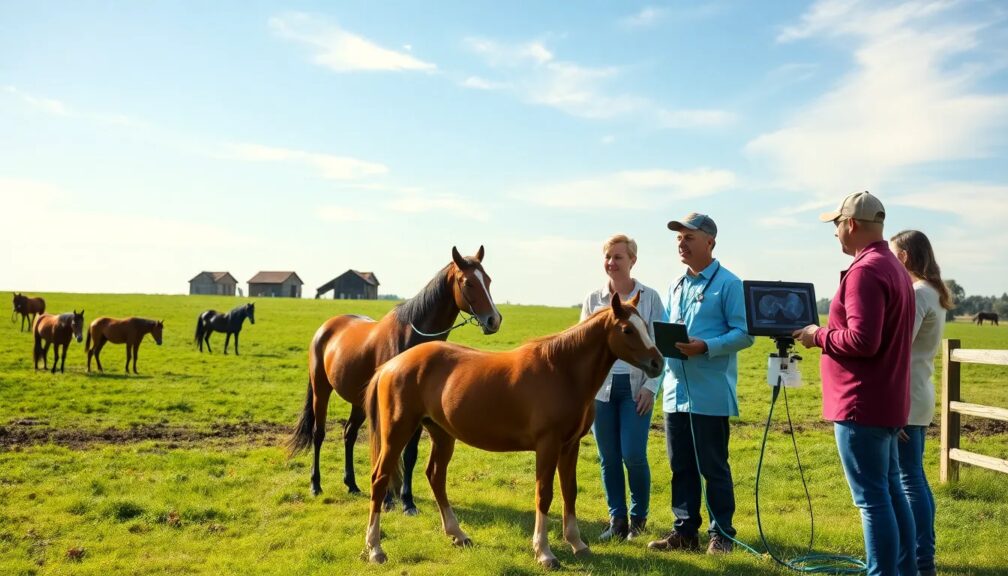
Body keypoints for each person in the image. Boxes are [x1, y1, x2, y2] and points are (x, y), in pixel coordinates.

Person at [793, 191, 917, 576]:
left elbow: (864, 340)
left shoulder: (864, 271)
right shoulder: (894, 266)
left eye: (836, 225)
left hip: (860, 402)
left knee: (872, 500)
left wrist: (817, 335)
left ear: (850, 224)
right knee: (891, 491)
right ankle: (905, 570)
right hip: (887, 400)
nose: (835, 234)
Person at [647, 213, 754, 555]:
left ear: (710, 241)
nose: (681, 243)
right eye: (679, 238)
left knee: (713, 468)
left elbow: (745, 333)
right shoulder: (675, 285)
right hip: (675, 393)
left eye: (688, 237)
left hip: (710, 394)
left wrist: (706, 346)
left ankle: (722, 535)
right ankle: (684, 532)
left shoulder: (729, 284)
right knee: (681, 467)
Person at [581, 234, 666, 541]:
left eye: (618, 257)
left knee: (633, 455)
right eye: (608, 257)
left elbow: (661, 345)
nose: (611, 262)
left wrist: (651, 387)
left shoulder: (650, 298)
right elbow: (582, 349)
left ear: (633, 260)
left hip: (636, 389)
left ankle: (638, 519)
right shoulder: (594, 300)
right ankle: (617, 521)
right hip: (600, 391)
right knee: (608, 457)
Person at [889, 229, 951, 576]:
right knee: (914, 476)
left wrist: (893, 407)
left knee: (908, 478)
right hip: (919, 391)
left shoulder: (917, 293)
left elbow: (898, 348)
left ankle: (920, 559)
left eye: (892, 253)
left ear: (904, 257)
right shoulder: (933, 291)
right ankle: (922, 557)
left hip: (906, 395)